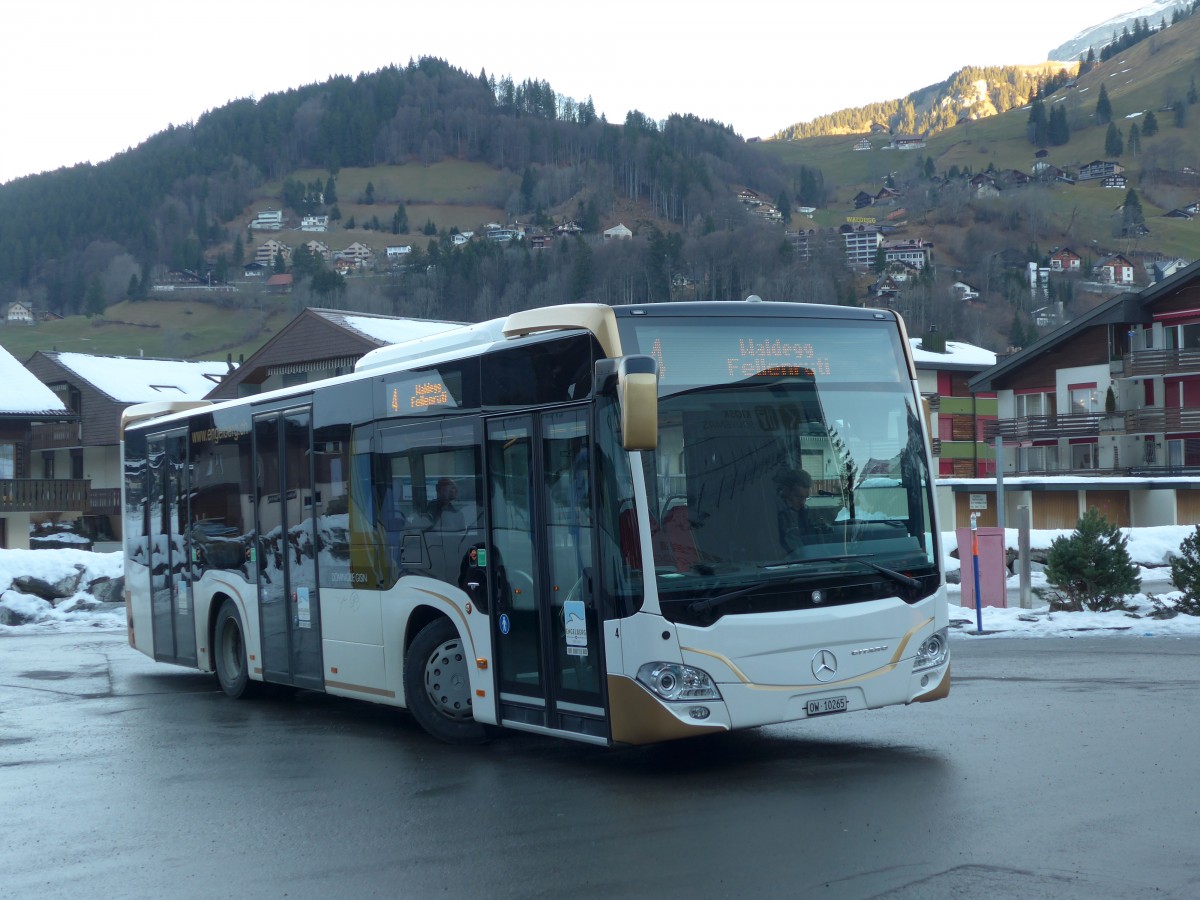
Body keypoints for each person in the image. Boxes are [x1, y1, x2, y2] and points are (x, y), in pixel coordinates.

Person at [776, 468, 820, 554]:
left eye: (805, 498)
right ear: (786, 490)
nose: (802, 503)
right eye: (798, 496)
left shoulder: (804, 512)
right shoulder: (776, 513)